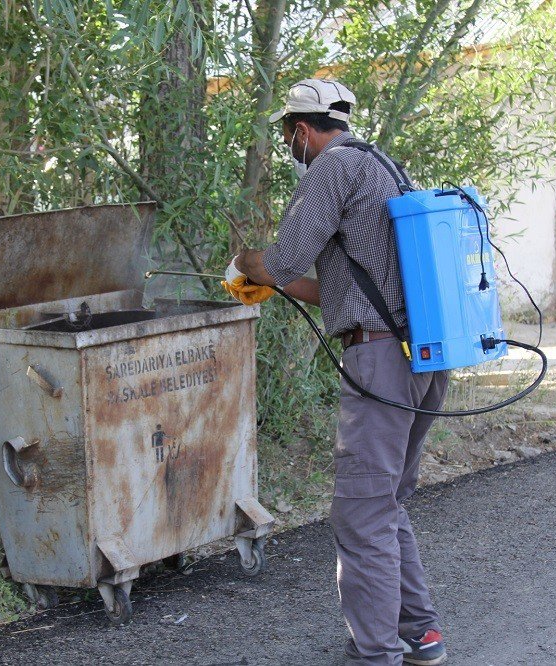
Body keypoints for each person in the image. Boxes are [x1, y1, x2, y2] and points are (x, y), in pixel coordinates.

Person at [222, 79, 450, 666]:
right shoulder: (383, 166)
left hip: (379, 364)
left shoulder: (332, 169)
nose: (289, 147)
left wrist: (243, 264)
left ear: (302, 131)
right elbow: (343, 287)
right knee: (386, 502)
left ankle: (375, 654)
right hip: (422, 356)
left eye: (288, 137)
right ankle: (419, 633)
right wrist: (272, 283)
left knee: (361, 511)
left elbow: (283, 258)